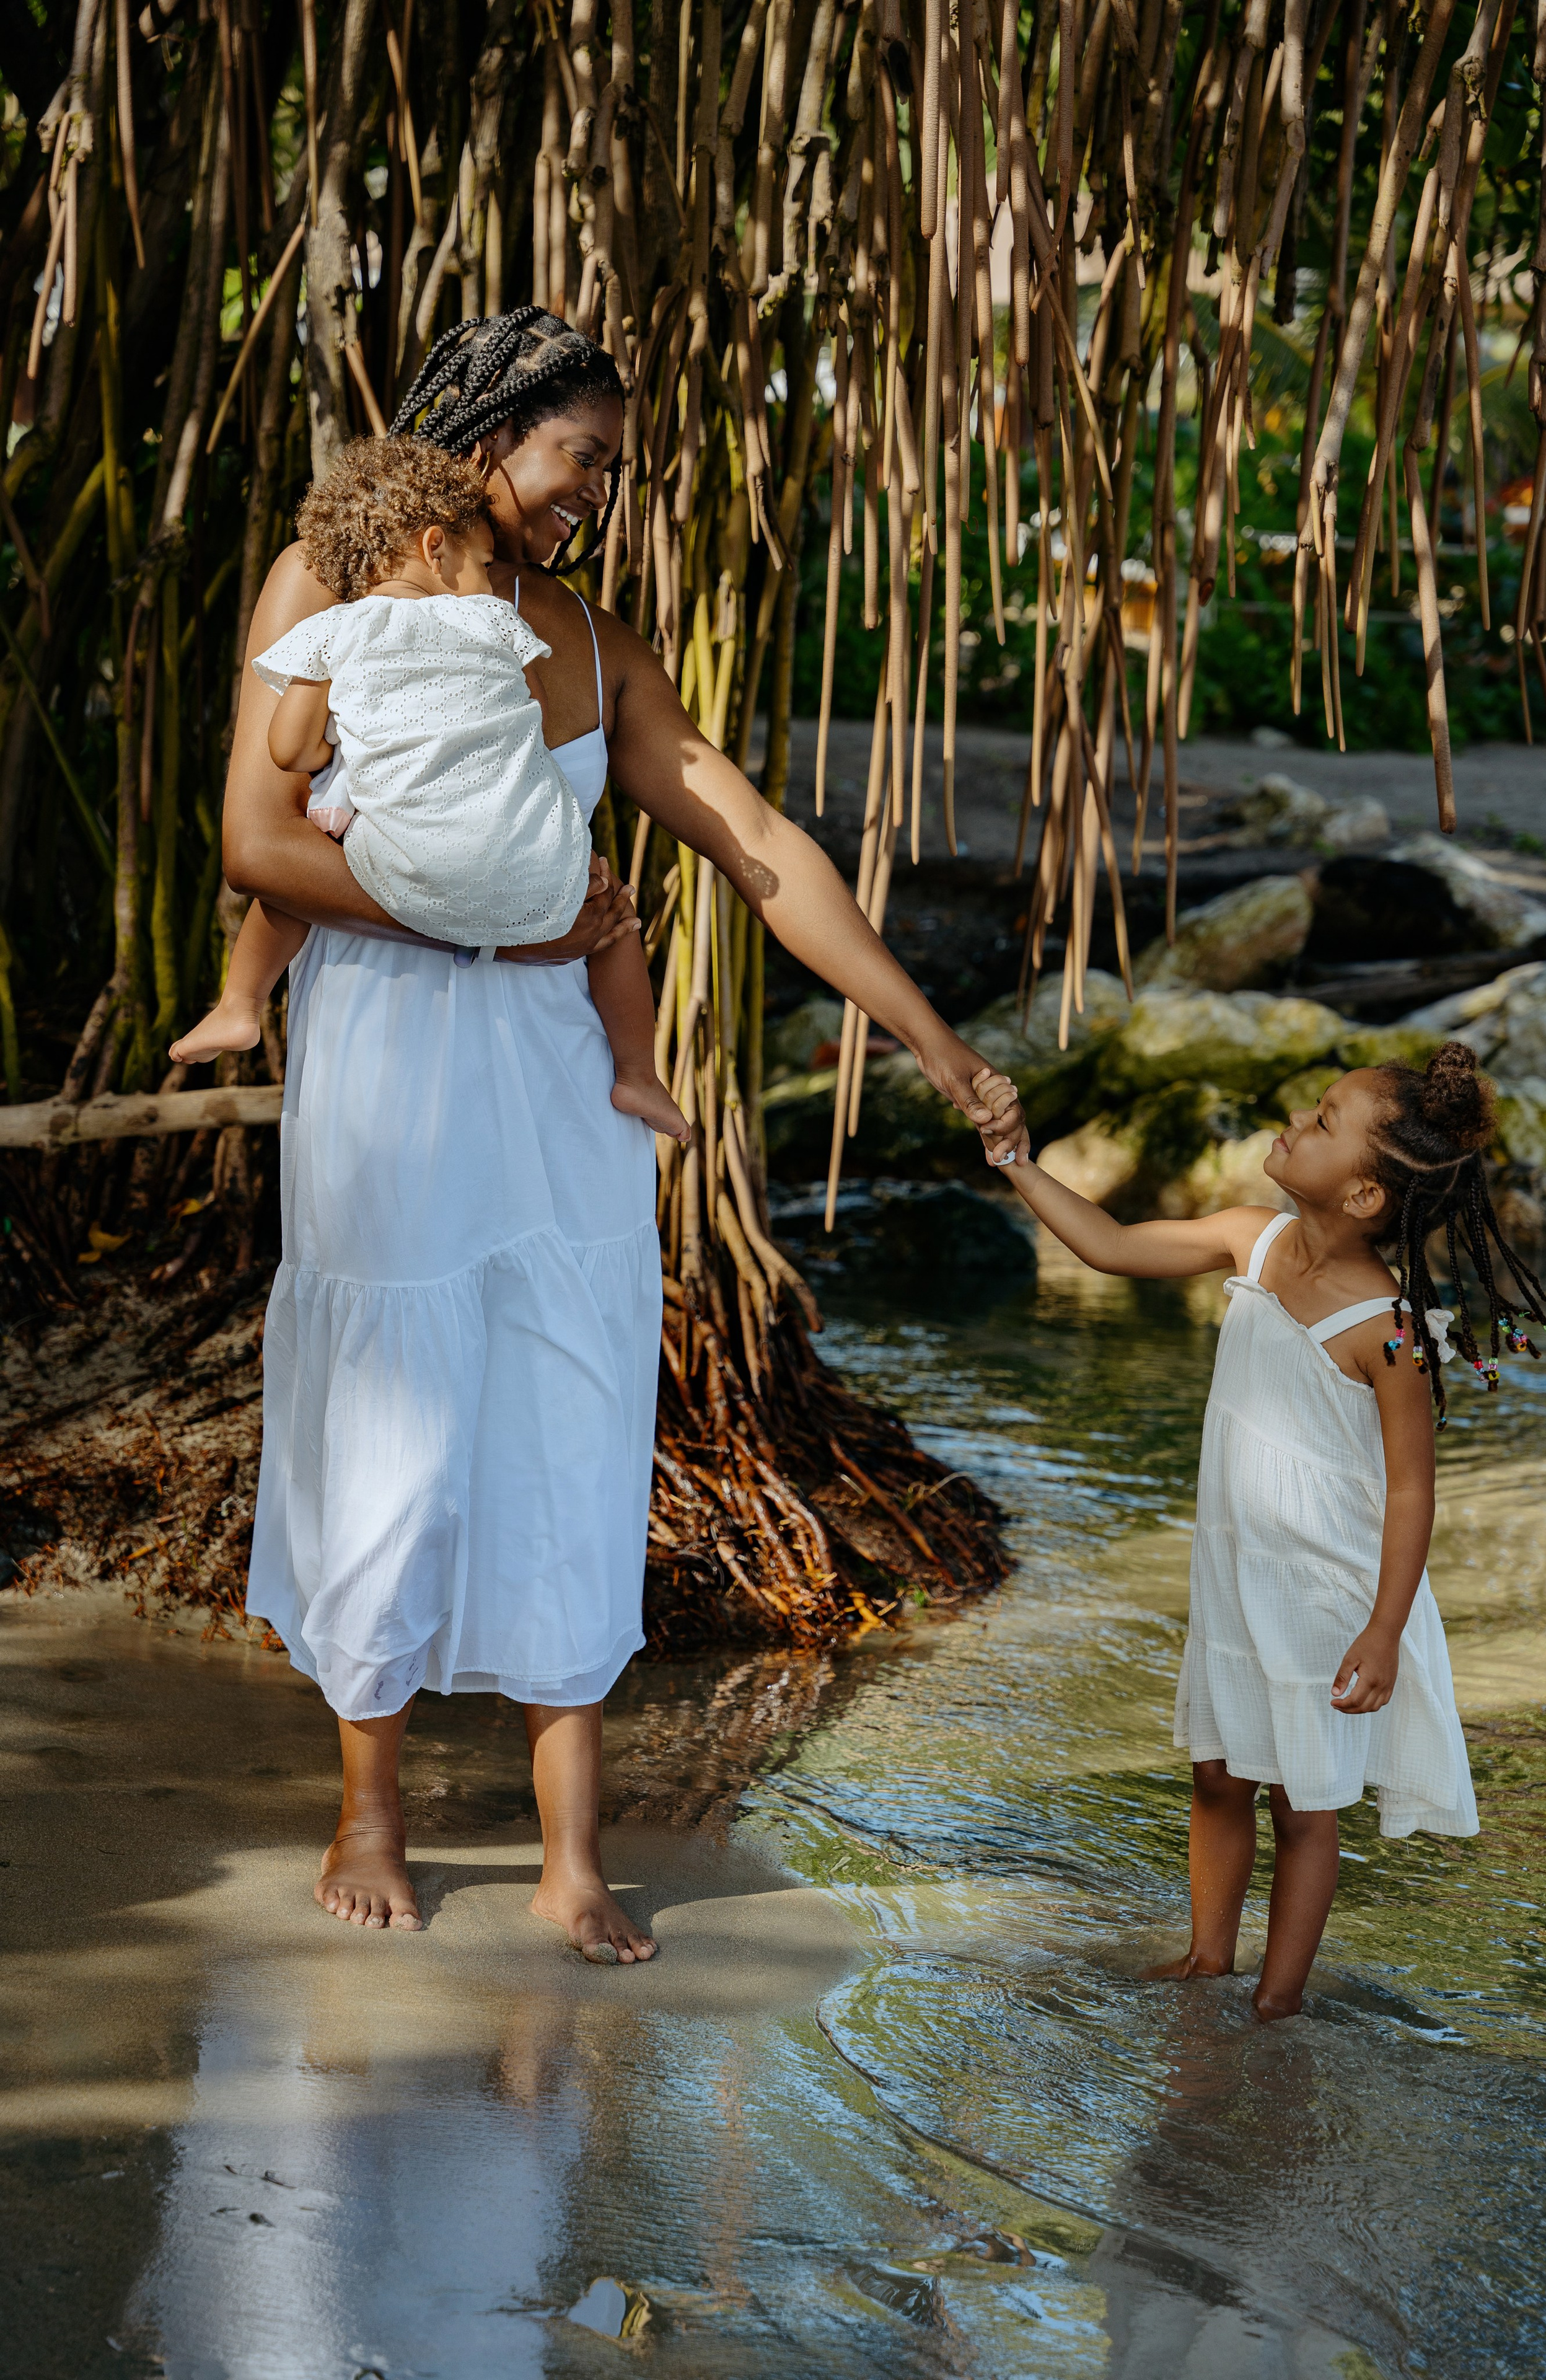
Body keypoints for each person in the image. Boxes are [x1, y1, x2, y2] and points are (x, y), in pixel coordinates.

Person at [222, 306, 1026, 1956]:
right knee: (393, 1415)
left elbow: (757, 844)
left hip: (562, 1093)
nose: (601, 494)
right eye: (584, 459)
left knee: (571, 1429)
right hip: (388, 1068)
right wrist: (488, 928)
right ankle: (369, 1800)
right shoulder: (332, 581)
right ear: (486, 436)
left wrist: (935, 1042)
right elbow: (256, 839)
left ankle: (571, 1846)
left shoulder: (590, 643)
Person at [973, 1041, 1546, 2018]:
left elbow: (1414, 1494)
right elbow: (1111, 1245)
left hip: (1326, 1595)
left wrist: (1383, 1630)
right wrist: (1016, 1160)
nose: (1295, 1122)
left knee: (1304, 1802)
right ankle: (1210, 1957)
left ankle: (1275, 2001)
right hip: (1236, 1578)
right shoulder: (1249, 1241)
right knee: (1217, 1774)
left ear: (1366, 1198)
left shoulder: (1390, 1330)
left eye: (1325, 1121)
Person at [173, 437, 687, 1144]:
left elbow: (288, 749)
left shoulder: (331, 631)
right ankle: (640, 1075)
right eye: (481, 564)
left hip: (408, 868)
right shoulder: (496, 620)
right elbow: (529, 721)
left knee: (306, 856)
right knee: (614, 926)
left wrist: (332, 744)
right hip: (527, 869)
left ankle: (239, 1003)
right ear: (435, 546)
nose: (489, 579)